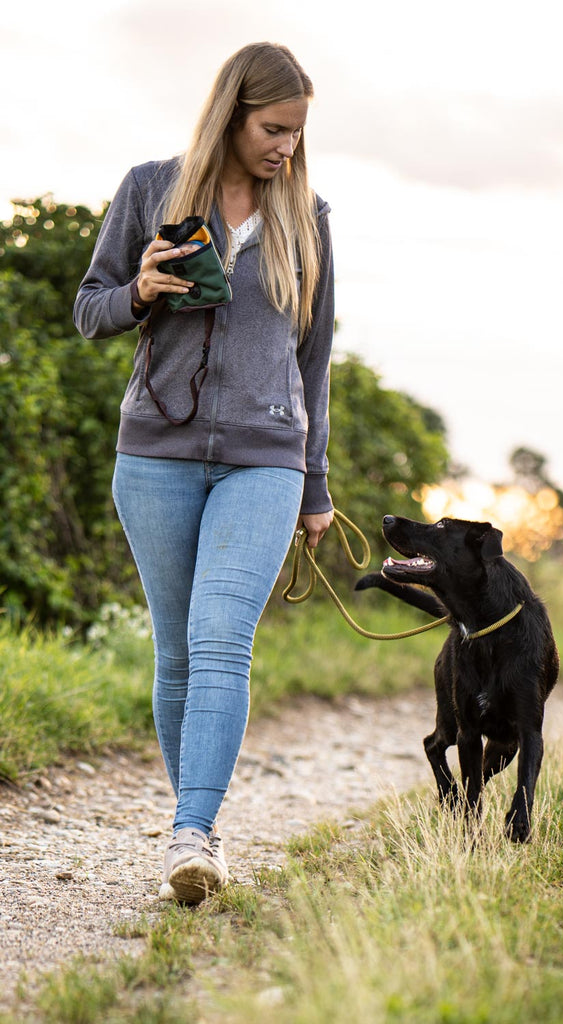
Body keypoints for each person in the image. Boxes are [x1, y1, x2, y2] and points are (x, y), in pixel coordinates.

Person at [74, 42, 335, 903]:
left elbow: (315, 357)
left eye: (296, 133)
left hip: (265, 459)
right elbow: (89, 310)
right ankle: (197, 822)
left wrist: (316, 483)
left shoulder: (307, 217)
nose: (286, 148)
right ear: (232, 114)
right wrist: (142, 291)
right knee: (177, 656)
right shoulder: (152, 188)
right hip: (154, 455)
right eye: (273, 129)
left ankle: (192, 835)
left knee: (224, 639)